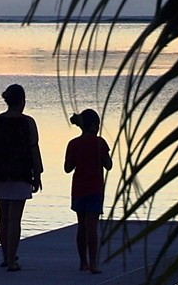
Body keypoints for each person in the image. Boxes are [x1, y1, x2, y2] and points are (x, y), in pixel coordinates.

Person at [0, 84, 43, 272]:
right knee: (15, 219)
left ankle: (5, 255)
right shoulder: (28, 122)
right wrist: (38, 173)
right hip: (21, 174)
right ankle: (11, 260)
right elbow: (34, 148)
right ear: (22, 101)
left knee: (3, 217)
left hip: (1, 174)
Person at [64, 109, 112, 274]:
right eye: (97, 125)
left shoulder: (73, 144)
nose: (98, 128)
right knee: (92, 227)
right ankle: (93, 263)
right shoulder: (100, 143)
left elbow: (67, 168)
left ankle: (83, 262)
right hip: (95, 189)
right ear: (92, 126)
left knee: (82, 226)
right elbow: (109, 165)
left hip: (78, 189)